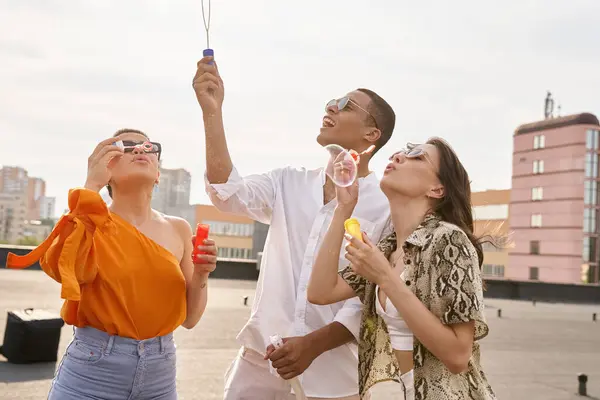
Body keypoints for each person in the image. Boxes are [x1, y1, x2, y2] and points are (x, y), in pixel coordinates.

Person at [192, 55, 396, 400]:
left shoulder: (387, 206)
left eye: (344, 105)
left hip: (334, 372)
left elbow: (372, 294)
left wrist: (313, 344)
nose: (330, 107)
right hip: (260, 358)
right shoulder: (288, 182)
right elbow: (227, 193)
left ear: (371, 133)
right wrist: (212, 110)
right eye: (330, 102)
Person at [6, 129, 218, 400]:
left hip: (160, 375)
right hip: (92, 375)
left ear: (158, 175)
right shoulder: (88, 221)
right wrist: (90, 186)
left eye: (148, 146)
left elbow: (190, 319)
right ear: (106, 169)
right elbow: (63, 269)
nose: (140, 150)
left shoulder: (179, 229)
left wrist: (202, 272)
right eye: (127, 146)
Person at [307, 138, 497, 400]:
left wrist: (384, 276)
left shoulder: (448, 239)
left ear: (437, 189)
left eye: (417, 157)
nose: (398, 157)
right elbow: (320, 292)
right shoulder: (388, 248)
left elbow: (457, 356)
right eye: (402, 153)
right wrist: (344, 207)